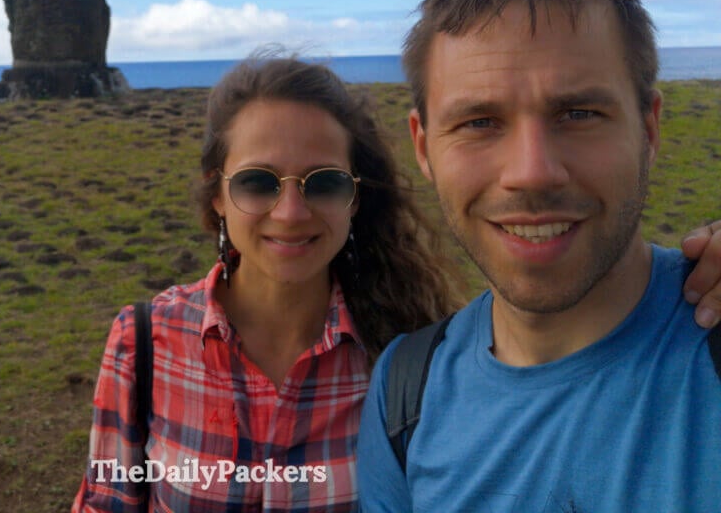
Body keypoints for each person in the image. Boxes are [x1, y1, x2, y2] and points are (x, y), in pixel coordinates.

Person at [73, 45, 721, 512]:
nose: (291, 211)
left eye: (323, 183)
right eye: (258, 183)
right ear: (216, 195)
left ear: (356, 198)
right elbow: (105, 498)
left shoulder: (407, 365)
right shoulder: (147, 342)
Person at [357, 0, 721, 511]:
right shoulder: (404, 394)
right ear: (424, 149)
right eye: (479, 122)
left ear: (648, 131)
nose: (531, 173)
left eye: (579, 114)